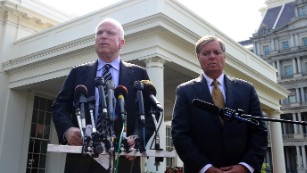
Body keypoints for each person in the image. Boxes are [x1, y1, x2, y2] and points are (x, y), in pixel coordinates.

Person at [52, 18, 155, 173]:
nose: (103, 36)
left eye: (110, 33)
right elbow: (60, 106)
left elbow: (149, 112)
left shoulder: (138, 74)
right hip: (82, 158)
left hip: (124, 160)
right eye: (99, 33)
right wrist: (67, 130)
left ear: (121, 43)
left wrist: (139, 137)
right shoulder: (78, 72)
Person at [171, 35, 268, 173]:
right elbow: (180, 135)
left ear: (224, 56)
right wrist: (205, 168)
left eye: (217, 52)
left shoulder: (246, 90)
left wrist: (245, 166)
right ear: (198, 57)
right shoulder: (185, 91)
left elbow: (260, 131)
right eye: (206, 53)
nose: (212, 57)